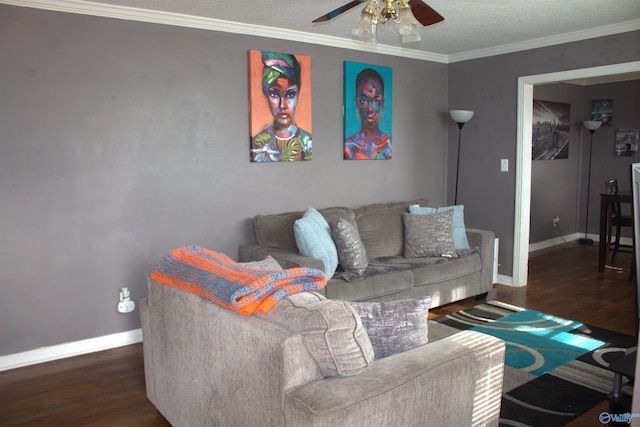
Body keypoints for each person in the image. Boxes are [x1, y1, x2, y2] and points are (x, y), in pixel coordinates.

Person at [251, 51, 312, 162]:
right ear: (266, 95)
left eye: (290, 95)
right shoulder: (256, 144)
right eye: (274, 95)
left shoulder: (309, 143)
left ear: (298, 94)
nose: (282, 105)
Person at [344, 68, 391, 160]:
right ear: (357, 102)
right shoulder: (348, 147)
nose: (370, 109)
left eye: (376, 101)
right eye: (364, 101)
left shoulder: (390, 144)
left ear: (382, 103)